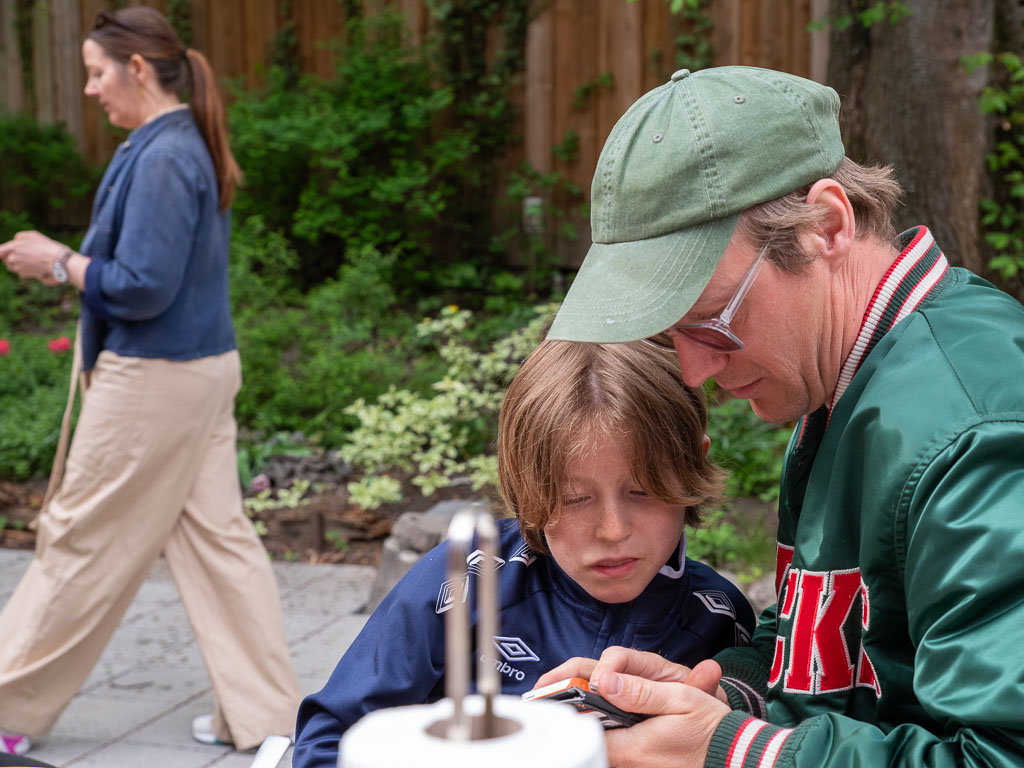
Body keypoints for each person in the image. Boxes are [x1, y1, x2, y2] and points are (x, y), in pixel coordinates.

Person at [535, 64, 1024, 767]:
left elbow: (997, 755)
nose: (697, 370)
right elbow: (843, 641)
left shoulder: (975, 434)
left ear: (827, 224)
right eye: (670, 335)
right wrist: (733, 694)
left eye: (711, 322)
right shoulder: (841, 378)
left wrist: (737, 752)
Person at [0, 7, 300, 755]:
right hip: (197, 372)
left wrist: (59, 263)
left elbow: (142, 289)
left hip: (157, 380)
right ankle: (271, 722)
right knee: (217, 546)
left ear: (139, 69)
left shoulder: (166, 155)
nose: (91, 89)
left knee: (78, 540)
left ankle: (5, 705)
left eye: (98, 73)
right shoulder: (171, 144)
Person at [291, 339, 757, 767]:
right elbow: (327, 740)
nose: (613, 530)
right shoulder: (467, 578)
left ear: (695, 461)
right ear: (523, 484)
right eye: (575, 499)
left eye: (643, 490)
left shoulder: (719, 618)